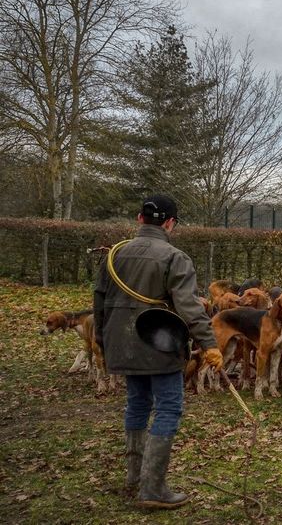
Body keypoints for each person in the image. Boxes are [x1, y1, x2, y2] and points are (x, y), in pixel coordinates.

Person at [93, 194, 222, 509]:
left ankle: (135, 478)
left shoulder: (115, 255)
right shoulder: (174, 257)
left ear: (140, 219)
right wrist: (210, 345)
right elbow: (190, 308)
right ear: (170, 223)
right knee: (168, 408)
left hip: (121, 342)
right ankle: (153, 489)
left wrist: (102, 338)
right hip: (159, 344)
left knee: (136, 405)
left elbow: (98, 300)